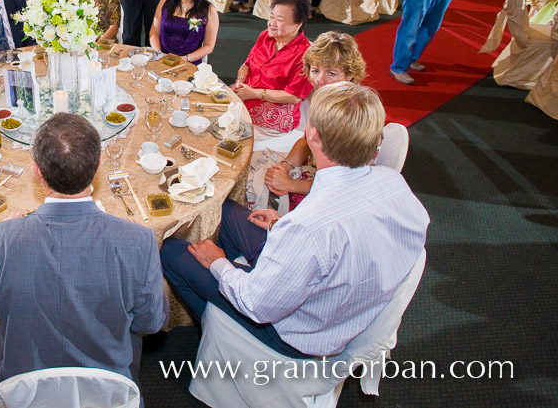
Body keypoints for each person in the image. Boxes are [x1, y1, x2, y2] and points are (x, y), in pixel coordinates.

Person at [160, 81, 428, 361]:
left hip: (295, 334)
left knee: (170, 250)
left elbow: (256, 305)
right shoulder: (394, 183)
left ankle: (223, 338)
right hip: (336, 296)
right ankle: (244, 273)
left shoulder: (309, 228)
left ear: (313, 136)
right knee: (223, 209)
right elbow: (342, 242)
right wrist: (281, 227)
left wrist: (217, 262)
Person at [0, 113, 168, 396]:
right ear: (98, 165)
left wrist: (5, 235)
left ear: (37, 171)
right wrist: (132, 244)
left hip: (25, 387)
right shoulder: (139, 240)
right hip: (107, 388)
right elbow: (150, 322)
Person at [261, 32, 368, 210]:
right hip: (317, 174)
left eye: (331, 73)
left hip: (334, 197)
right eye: (316, 70)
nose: (319, 80)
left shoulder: (349, 113)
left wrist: (289, 184)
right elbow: (306, 139)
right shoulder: (329, 98)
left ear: (349, 75)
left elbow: (344, 180)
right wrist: (284, 167)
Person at [234, 0, 313, 133]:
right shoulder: (265, 36)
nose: (272, 23)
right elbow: (246, 66)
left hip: (276, 108)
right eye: (271, 17)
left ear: (298, 24)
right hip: (246, 92)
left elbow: (294, 97)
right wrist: (240, 82)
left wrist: (254, 93)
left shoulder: (305, 54)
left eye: (279, 20)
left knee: (236, 133)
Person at [149, 0, 219, 64]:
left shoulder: (209, 10)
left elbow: (209, 46)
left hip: (190, 63)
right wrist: (159, 53)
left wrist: (185, 59)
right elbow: (154, 33)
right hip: (162, 60)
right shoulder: (164, 3)